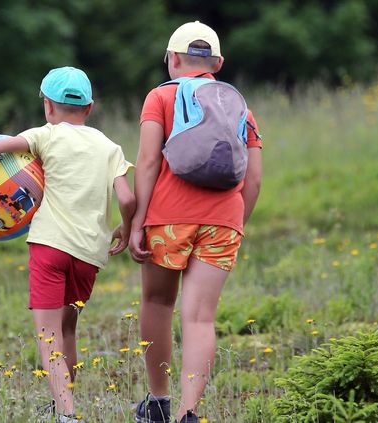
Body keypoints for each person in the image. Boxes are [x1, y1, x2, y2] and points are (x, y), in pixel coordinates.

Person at [0, 66, 135, 423]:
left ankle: (66, 413)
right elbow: (127, 198)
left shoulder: (45, 135)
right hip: (89, 254)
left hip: (49, 247)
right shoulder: (110, 148)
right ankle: (65, 406)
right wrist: (124, 226)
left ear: (47, 106)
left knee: (47, 335)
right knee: (68, 328)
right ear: (89, 108)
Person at [128, 22, 263, 423]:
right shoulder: (241, 107)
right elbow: (253, 178)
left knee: (157, 301)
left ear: (171, 59)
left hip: (167, 217)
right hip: (223, 221)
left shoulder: (159, 97)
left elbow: (149, 161)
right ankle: (189, 413)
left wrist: (138, 220)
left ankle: (158, 403)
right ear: (218, 63)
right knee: (201, 317)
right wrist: (236, 221)